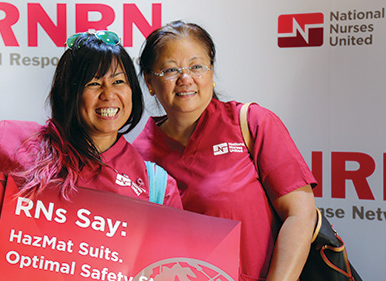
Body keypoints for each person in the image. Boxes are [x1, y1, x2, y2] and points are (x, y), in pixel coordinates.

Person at [0, 31, 182, 209]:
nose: (109, 95)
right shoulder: (15, 140)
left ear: (133, 90)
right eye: (93, 83)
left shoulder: (156, 185)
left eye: (119, 81)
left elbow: (167, 262)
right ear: (69, 91)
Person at [133, 21, 317, 281]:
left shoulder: (252, 124)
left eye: (197, 66)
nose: (186, 79)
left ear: (210, 73)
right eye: (171, 69)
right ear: (150, 82)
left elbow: (301, 214)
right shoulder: (135, 156)